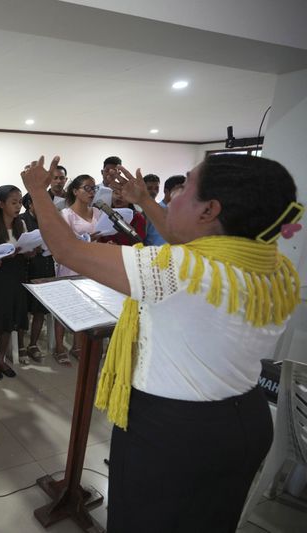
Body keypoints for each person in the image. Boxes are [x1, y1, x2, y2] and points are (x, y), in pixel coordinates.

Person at [20, 153, 301, 533]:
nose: (175, 194)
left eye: (185, 185)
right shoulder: (269, 265)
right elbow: (185, 238)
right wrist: (144, 201)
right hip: (243, 421)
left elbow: (69, 250)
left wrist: (37, 191)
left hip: (175, 432)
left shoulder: (181, 270)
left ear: (210, 210)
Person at [53, 174, 104, 365]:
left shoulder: (97, 213)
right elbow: (65, 242)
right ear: (75, 191)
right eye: (87, 188)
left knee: (86, 307)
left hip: (91, 265)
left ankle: (77, 345)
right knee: (64, 307)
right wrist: (88, 239)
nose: (92, 192)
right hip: (71, 266)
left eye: (94, 189)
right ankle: (59, 347)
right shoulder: (66, 214)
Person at [0, 185, 31, 380]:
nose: (18, 206)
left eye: (20, 202)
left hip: (18, 275)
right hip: (1, 278)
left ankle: (2, 358)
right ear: (1, 204)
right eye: (14, 202)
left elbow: (27, 248)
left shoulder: (21, 225)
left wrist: (30, 250)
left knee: (11, 319)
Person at [20, 193, 56, 362]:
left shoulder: (50, 219)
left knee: (40, 309)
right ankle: (20, 344)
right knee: (23, 309)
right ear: (29, 204)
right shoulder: (20, 220)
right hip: (27, 268)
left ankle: (33, 344)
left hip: (46, 266)